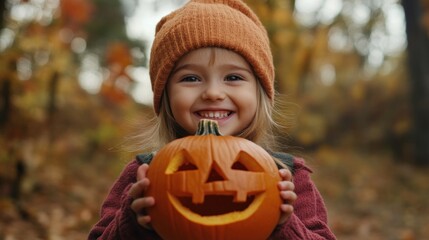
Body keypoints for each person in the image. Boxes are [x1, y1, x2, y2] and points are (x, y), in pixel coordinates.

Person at [88, 0, 336, 239]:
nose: (213, 93)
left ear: (260, 94)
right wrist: (133, 223)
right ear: (165, 96)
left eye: (234, 77)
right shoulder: (142, 175)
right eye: (191, 79)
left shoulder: (288, 177)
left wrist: (282, 224)